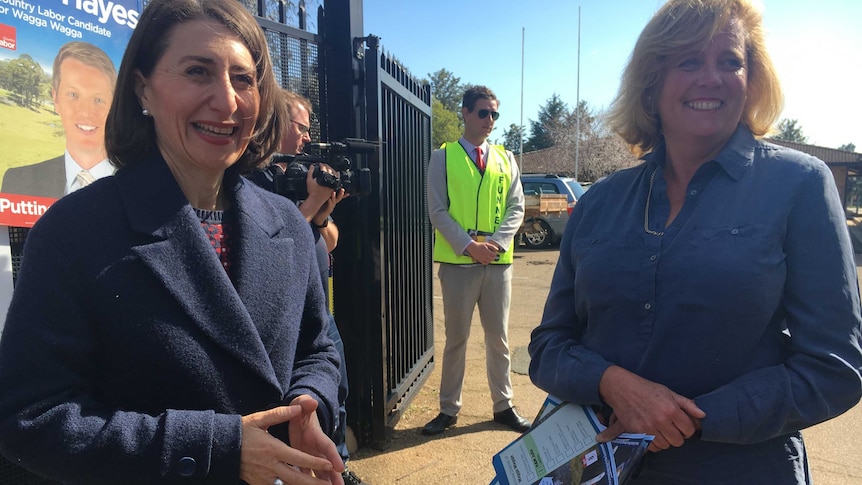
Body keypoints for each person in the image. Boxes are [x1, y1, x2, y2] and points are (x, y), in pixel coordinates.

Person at [0, 1, 346, 484]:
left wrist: (311, 400)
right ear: (143, 88)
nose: (226, 103)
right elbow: (30, 417)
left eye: (243, 79)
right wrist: (215, 450)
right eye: (197, 71)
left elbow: (320, 344)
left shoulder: (287, 222)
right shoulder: (74, 231)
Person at [528, 0, 862, 483]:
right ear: (652, 81)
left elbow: (835, 367)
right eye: (689, 61)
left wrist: (687, 419)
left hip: (743, 469)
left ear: (752, 80)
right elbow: (549, 346)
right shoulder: (600, 202)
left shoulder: (798, 186)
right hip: (601, 466)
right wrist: (614, 384)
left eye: (731, 61)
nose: (712, 77)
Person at [252, 89, 366, 485]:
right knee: (300, 400)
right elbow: (273, 247)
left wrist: (322, 208)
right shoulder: (257, 181)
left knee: (335, 389)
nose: (305, 137)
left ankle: (339, 463)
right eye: (300, 127)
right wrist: (310, 202)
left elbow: (327, 239)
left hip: (317, 304)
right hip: (286, 311)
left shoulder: (298, 177)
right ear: (275, 124)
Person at [423, 85, 529, 436]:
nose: (489, 120)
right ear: (465, 113)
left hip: (497, 265)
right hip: (459, 265)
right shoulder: (443, 157)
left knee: (498, 338)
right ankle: (448, 409)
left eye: (494, 114)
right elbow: (437, 211)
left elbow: (517, 207)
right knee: (456, 339)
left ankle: (504, 406)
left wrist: (495, 245)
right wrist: (470, 246)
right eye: (483, 112)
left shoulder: (505, 158)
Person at [2, 41, 117, 198]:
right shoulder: (18, 182)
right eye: (73, 95)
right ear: (55, 99)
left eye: (98, 99)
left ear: (113, 105)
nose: (87, 112)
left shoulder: (141, 189)